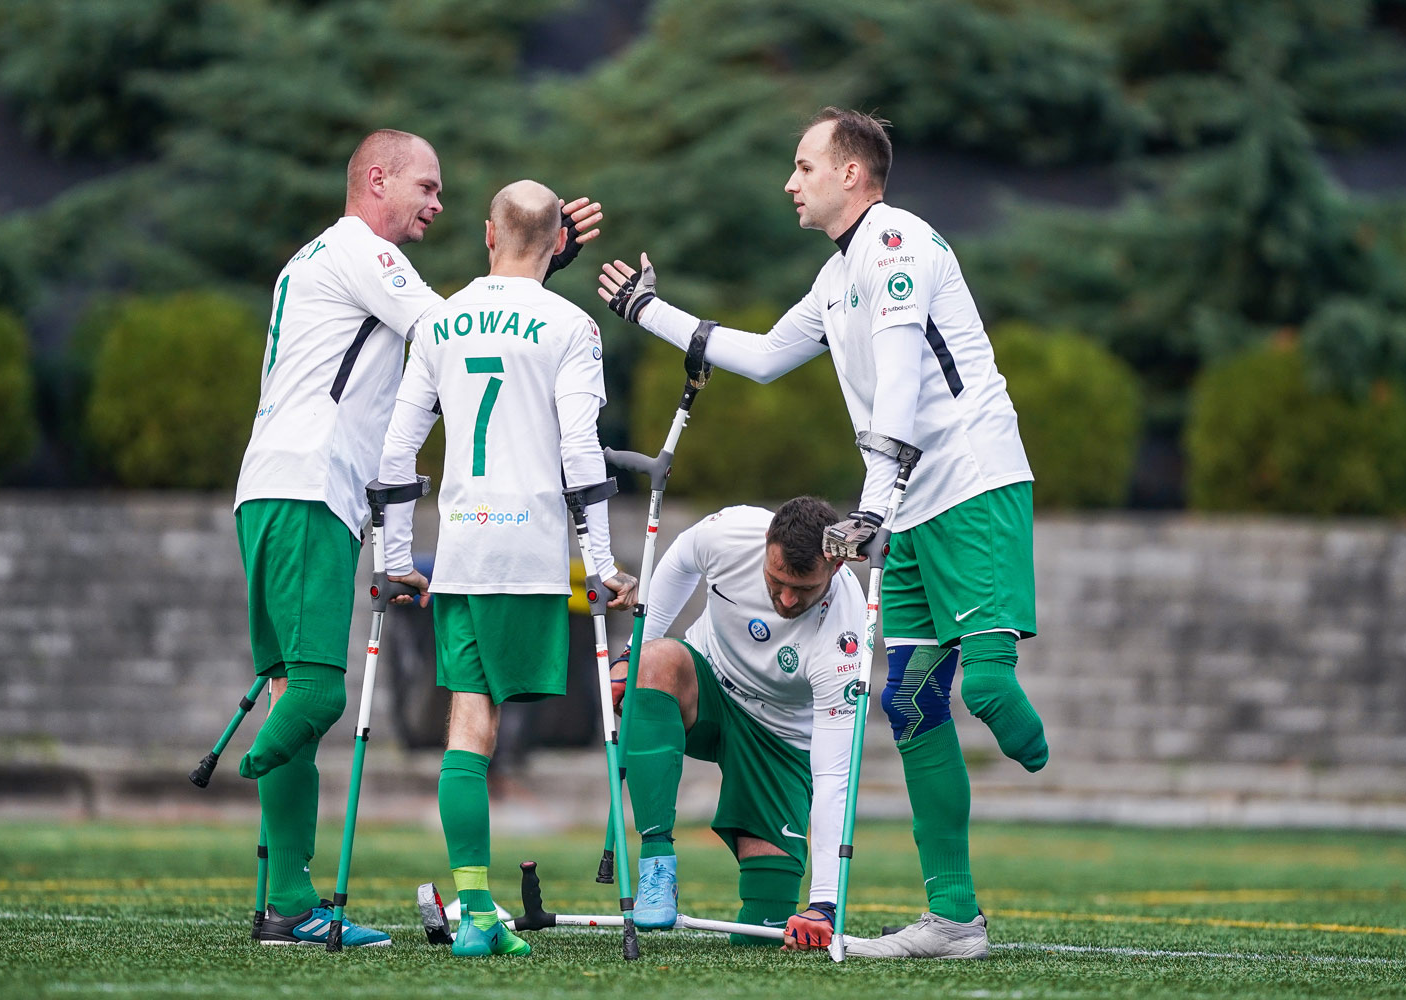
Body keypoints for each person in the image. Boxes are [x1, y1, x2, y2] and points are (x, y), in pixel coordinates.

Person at [597, 108, 1049, 959]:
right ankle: (955, 920)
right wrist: (648, 311)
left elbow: (905, 376)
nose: (789, 182)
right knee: (911, 703)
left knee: (986, 688)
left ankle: (1030, 749)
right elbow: (767, 356)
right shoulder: (837, 275)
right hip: (906, 509)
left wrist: (871, 504)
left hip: (974, 486)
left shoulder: (898, 243)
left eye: (803, 166)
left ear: (852, 173)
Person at [233, 130, 602, 948]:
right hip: (310, 490)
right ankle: (250, 774)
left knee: (291, 693)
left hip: (266, 492)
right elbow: (463, 336)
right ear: (376, 179)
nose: (437, 203)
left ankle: (289, 904)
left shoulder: (310, 257)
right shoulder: (367, 251)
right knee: (317, 697)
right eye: (426, 188)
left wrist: (532, 263)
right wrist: (536, 271)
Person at [378, 179, 637, 958]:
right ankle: (483, 914)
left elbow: (397, 455)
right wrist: (603, 566)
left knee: (469, 724)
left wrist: (395, 564)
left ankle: (477, 912)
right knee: (496, 727)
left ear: (488, 235)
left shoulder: (440, 321)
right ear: (560, 243)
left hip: (461, 552)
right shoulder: (574, 326)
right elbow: (581, 455)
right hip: (529, 556)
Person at [611, 498, 867, 951]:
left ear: (835, 565)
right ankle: (656, 863)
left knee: (766, 929)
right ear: (765, 547)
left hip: (781, 736)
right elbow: (680, 560)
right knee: (652, 662)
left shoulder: (847, 636)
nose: (787, 600)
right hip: (706, 682)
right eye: (777, 581)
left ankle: (767, 902)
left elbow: (834, 775)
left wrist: (824, 903)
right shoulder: (732, 532)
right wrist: (632, 654)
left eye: (803, 590)